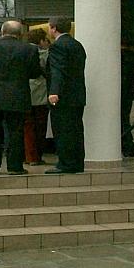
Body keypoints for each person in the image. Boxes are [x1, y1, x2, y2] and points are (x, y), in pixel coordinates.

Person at [0, 20, 41, 175]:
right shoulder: (29, 49)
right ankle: (14, 166)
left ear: (2, 31)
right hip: (17, 96)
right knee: (16, 132)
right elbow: (35, 72)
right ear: (20, 33)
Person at [45, 16, 86, 175]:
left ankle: (65, 163)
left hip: (63, 96)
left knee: (62, 130)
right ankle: (77, 162)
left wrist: (54, 91)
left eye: (50, 27)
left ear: (54, 28)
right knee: (76, 129)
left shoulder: (57, 46)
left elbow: (57, 70)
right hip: (77, 95)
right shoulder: (77, 45)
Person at [24, 29, 50, 166]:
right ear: (41, 41)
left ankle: (28, 155)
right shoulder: (46, 55)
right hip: (41, 95)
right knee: (40, 128)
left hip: (25, 94)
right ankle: (36, 156)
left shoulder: (22, 52)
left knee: (27, 127)